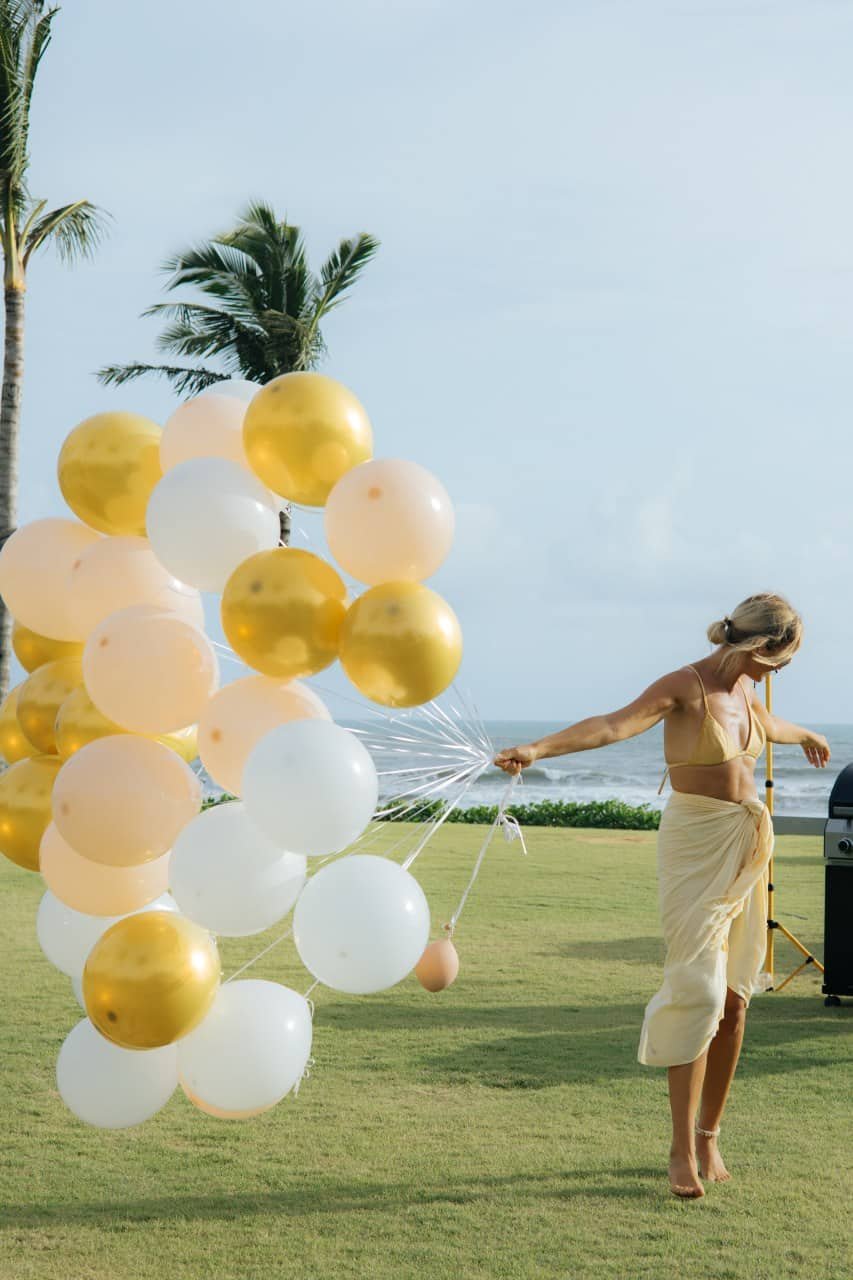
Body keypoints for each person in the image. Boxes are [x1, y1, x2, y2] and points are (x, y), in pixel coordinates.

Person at [493, 593, 830, 1200]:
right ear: (760, 647)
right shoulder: (685, 686)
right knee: (699, 992)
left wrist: (806, 733)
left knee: (736, 1000)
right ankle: (679, 1149)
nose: (781, 671)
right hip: (694, 847)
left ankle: (708, 1136)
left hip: (744, 846)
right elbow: (612, 725)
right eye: (781, 660)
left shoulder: (748, 691)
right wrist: (536, 750)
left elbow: (771, 727)